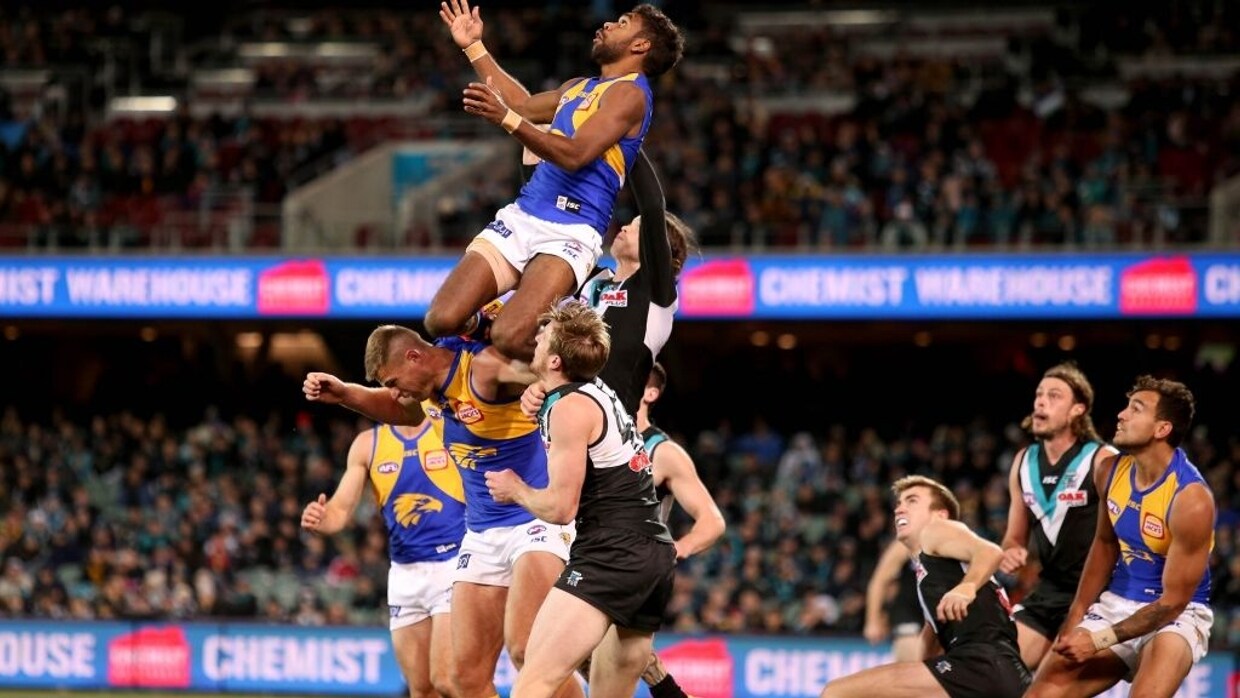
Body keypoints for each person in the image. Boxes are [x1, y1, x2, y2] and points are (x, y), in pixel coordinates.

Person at [302, 331, 579, 698]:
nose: (395, 393)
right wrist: (345, 394)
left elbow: (555, 374)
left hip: (533, 518)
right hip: (480, 534)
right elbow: (396, 409)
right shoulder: (429, 400)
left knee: (527, 650)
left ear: (414, 357)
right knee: (462, 680)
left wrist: (542, 385)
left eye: (394, 382)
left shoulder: (480, 368)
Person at [428, 0, 684, 362]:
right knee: (442, 319)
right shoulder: (579, 86)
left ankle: (582, 379)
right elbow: (522, 105)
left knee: (510, 337)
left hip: (571, 231)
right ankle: (493, 342)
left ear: (640, 45)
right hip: (524, 214)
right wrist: (473, 45)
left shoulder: (631, 94)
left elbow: (575, 154)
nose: (607, 24)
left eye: (623, 22)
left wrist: (507, 120)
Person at [484, 300, 676, 698]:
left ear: (556, 361)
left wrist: (514, 488)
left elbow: (560, 509)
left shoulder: (569, 409)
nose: (535, 340)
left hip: (611, 551)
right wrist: (538, 387)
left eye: (543, 338)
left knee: (532, 683)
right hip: (653, 553)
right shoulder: (595, 388)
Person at [1025, 376, 1214, 698]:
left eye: (1135, 409)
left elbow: (1172, 603)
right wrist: (1076, 617)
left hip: (1177, 615)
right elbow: (1105, 544)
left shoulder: (1191, 499)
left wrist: (1099, 640)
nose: (1121, 415)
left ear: (1162, 429)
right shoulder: (1109, 471)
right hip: (1118, 601)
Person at [300, 403, 464, 698]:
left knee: (449, 681)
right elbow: (339, 510)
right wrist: (321, 519)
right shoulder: (368, 444)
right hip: (404, 572)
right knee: (421, 689)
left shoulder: (448, 427)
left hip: (453, 564)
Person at [819, 475, 1031, 698]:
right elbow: (932, 636)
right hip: (1000, 672)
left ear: (940, 514)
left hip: (981, 665)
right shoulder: (935, 571)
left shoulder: (936, 530)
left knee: (837, 692)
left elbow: (991, 552)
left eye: (912, 501)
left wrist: (966, 587)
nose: (899, 509)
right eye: (899, 503)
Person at [999, 361, 1117, 669]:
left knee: (1052, 679)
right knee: (999, 669)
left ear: (1078, 409)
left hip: (1097, 594)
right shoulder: (1023, 461)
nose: (1041, 401)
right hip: (1048, 590)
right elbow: (1014, 537)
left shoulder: (1101, 459)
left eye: (1054, 396)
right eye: (1039, 394)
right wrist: (1011, 551)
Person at [863, 539, 925, 662]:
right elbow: (879, 580)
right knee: (913, 661)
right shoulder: (909, 541)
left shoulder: (954, 537)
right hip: (910, 611)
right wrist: (872, 620)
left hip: (939, 612)